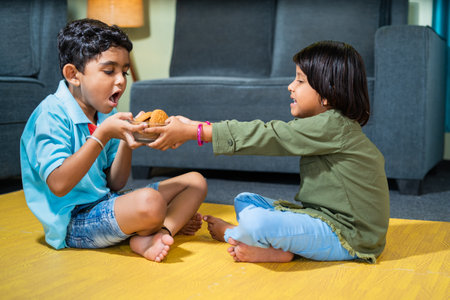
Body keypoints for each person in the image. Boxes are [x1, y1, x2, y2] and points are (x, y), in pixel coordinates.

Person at [147, 41, 390, 264]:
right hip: (320, 218)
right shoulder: (329, 124)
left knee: (255, 221)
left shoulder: (333, 125)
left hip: (350, 237)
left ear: (328, 92)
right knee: (246, 200)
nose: (290, 86)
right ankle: (277, 249)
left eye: (300, 81)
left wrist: (194, 132)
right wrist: (193, 126)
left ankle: (235, 235)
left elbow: (267, 135)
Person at [20, 19, 207, 262]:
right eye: (109, 71)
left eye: (124, 72)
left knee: (195, 182)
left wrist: (128, 142)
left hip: (105, 202)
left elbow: (115, 183)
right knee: (151, 203)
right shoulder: (50, 114)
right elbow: (58, 184)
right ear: (73, 75)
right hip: (73, 223)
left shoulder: (104, 115)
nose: (120, 80)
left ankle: (159, 232)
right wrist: (102, 134)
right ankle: (156, 224)